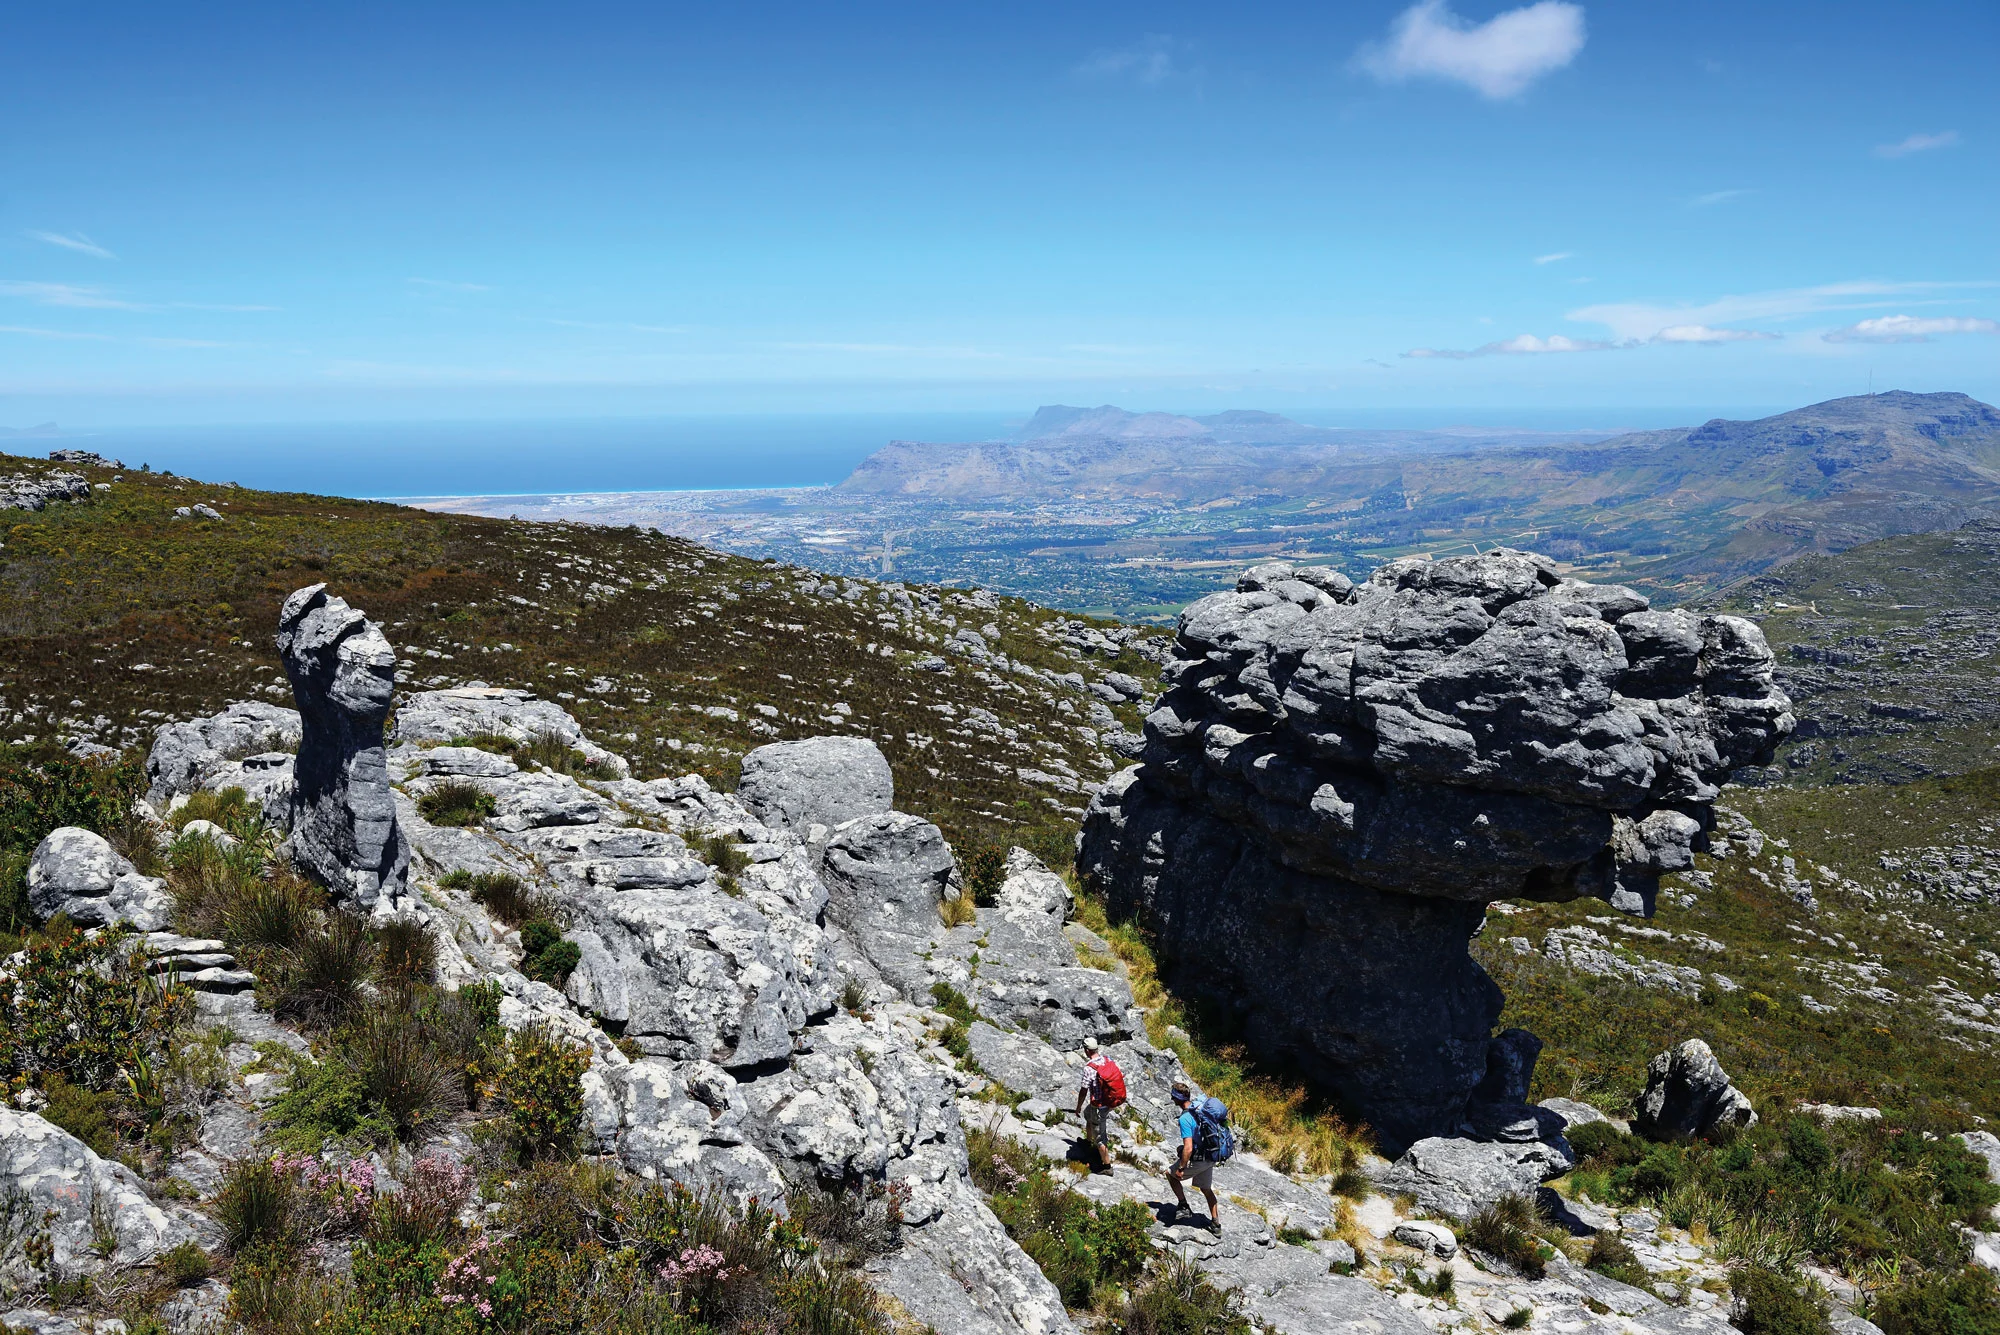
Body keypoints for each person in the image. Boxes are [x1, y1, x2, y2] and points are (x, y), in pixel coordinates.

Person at [1167, 1081, 1222, 1233]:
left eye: (1173, 1097)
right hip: (1211, 1156)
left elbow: (1188, 1148)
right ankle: (1216, 1224)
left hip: (1199, 1159)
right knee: (1206, 1189)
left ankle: (1183, 1206)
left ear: (1178, 1098)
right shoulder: (1201, 1110)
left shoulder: (1185, 1118)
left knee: (1170, 1175)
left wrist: (1181, 1168)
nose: (1172, 1100)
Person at [1073, 1036, 1123, 1173]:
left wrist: (1077, 1107)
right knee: (1087, 1113)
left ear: (1087, 1051)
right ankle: (1088, 1142)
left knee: (1100, 1137)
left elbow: (1083, 1090)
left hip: (1099, 1106)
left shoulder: (1089, 1068)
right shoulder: (1108, 1060)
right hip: (1109, 1102)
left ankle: (1107, 1166)